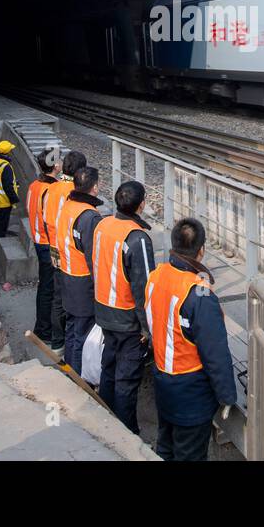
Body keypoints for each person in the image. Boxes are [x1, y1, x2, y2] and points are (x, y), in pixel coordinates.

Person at [145, 217, 237, 461]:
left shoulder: (156, 276)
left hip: (163, 381)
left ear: (173, 244)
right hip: (191, 393)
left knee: (165, 447)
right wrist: (227, 395)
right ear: (202, 250)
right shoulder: (199, 293)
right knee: (190, 454)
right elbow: (215, 352)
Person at [87, 180, 156, 433]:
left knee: (109, 368)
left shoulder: (103, 225)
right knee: (126, 379)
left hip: (103, 312)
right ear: (141, 205)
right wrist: (147, 328)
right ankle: (126, 435)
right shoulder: (137, 239)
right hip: (128, 321)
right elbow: (144, 288)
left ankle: (104, 422)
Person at [54, 164, 102, 371]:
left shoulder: (68, 205)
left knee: (73, 328)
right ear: (95, 187)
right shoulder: (89, 216)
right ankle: (78, 378)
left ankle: (69, 368)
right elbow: (94, 257)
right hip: (83, 281)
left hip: (67, 274)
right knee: (83, 332)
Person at [42, 149, 85, 352]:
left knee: (57, 296)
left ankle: (56, 341)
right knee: (74, 299)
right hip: (70, 252)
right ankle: (71, 344)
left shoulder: (51, 188)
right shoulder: (73, 193)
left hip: (53, 248)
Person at [24, 148, 60, 344]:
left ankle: (44, 328)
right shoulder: (50, 190)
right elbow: (52, 220)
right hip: (48, 244)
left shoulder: (34, 185)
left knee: (45, 286)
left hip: (39, 240)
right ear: (55, 166)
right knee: (49, 289)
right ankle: (44, 330)